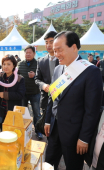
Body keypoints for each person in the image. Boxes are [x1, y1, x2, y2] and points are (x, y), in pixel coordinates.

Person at [44, 31, 103, 170]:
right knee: (48, 163)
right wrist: (47, 120)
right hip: (54, 129)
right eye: (54, 51)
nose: (56, 54)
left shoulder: (91, 72)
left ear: (74, 47)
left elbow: (92, 110)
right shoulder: (58, 69)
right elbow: (52, 98)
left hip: (75, 134)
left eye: (59, 50)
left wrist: (84, 138)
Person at [0, 55, 26, 144]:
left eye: (8, 64)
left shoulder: (19, 79)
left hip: (13, 110)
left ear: (14, 65)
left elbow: (20, 94)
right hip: (1, 109)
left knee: (13, 132)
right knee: (3, 132)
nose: (6, 66)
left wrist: (4, 95)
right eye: (4, 64)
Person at [17, 45, 43, 140]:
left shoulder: (39, 63)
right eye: (26, 52)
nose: (28, 54)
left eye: (30, 52)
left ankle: (38, 131)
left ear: (34, 53)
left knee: (37, 113)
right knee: (23, 114)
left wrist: (35, 75)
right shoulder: (19, 64)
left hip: (35, 93)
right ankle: (24, 130)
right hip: (23, 94)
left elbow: (43, 77)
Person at [35, 31, 59, 126]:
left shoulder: (64, 59)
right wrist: (43, 85)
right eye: (46, 42)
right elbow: (37, 79)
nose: (48, 45)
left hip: (61, 99)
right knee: (47, 125)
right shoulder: (41, 61)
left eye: (51, 41)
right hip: (46, 99)